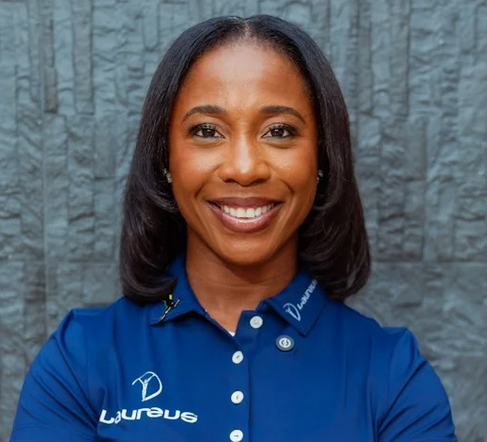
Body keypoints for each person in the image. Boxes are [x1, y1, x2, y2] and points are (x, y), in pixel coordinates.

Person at [11, 15, 456, 442]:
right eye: (207, 131)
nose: (244, 168)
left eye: (279, 131)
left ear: (322, 158)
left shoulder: (393, 372)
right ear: (166, 158)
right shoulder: (81, 357)